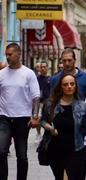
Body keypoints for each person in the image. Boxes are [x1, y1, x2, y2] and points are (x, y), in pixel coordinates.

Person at [41, 74, 86, 180]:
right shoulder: (51, 104)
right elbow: (43, 121)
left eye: (72, 84)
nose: (69, 86)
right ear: (61, 87)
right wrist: (49, 128)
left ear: (75, 86)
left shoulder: (82, 106)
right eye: (66, 84)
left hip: (75, 149)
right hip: (55, 149)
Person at [0, 43, 40, 180]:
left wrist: (35, 117)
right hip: (4, 118)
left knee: (21, 155)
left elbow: (36, 97)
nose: (8, 57)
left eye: (10, 54)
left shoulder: (28, 74)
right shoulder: (1, 74)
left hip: (22, 119)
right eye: (6, 54)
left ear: (19, 54)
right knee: (1, 151)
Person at [50, 48, 86, 134]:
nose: (67, 63)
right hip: (61, 122)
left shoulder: (85, 77)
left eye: (69, 60)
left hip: (80, 121)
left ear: (74, 60)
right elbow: (52, 102)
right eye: (64, 61)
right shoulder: (55, 79)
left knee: (80, 146)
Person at [35, 61, 51, 143]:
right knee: (38, 117)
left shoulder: (50, 79)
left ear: (47, 68)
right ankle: (38, 134)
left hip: (47, 102)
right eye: (41, 67)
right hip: (39, 102)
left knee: (46, 118)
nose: (43, 68)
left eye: (44, 67)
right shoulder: (37, 78)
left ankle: (46, 134)